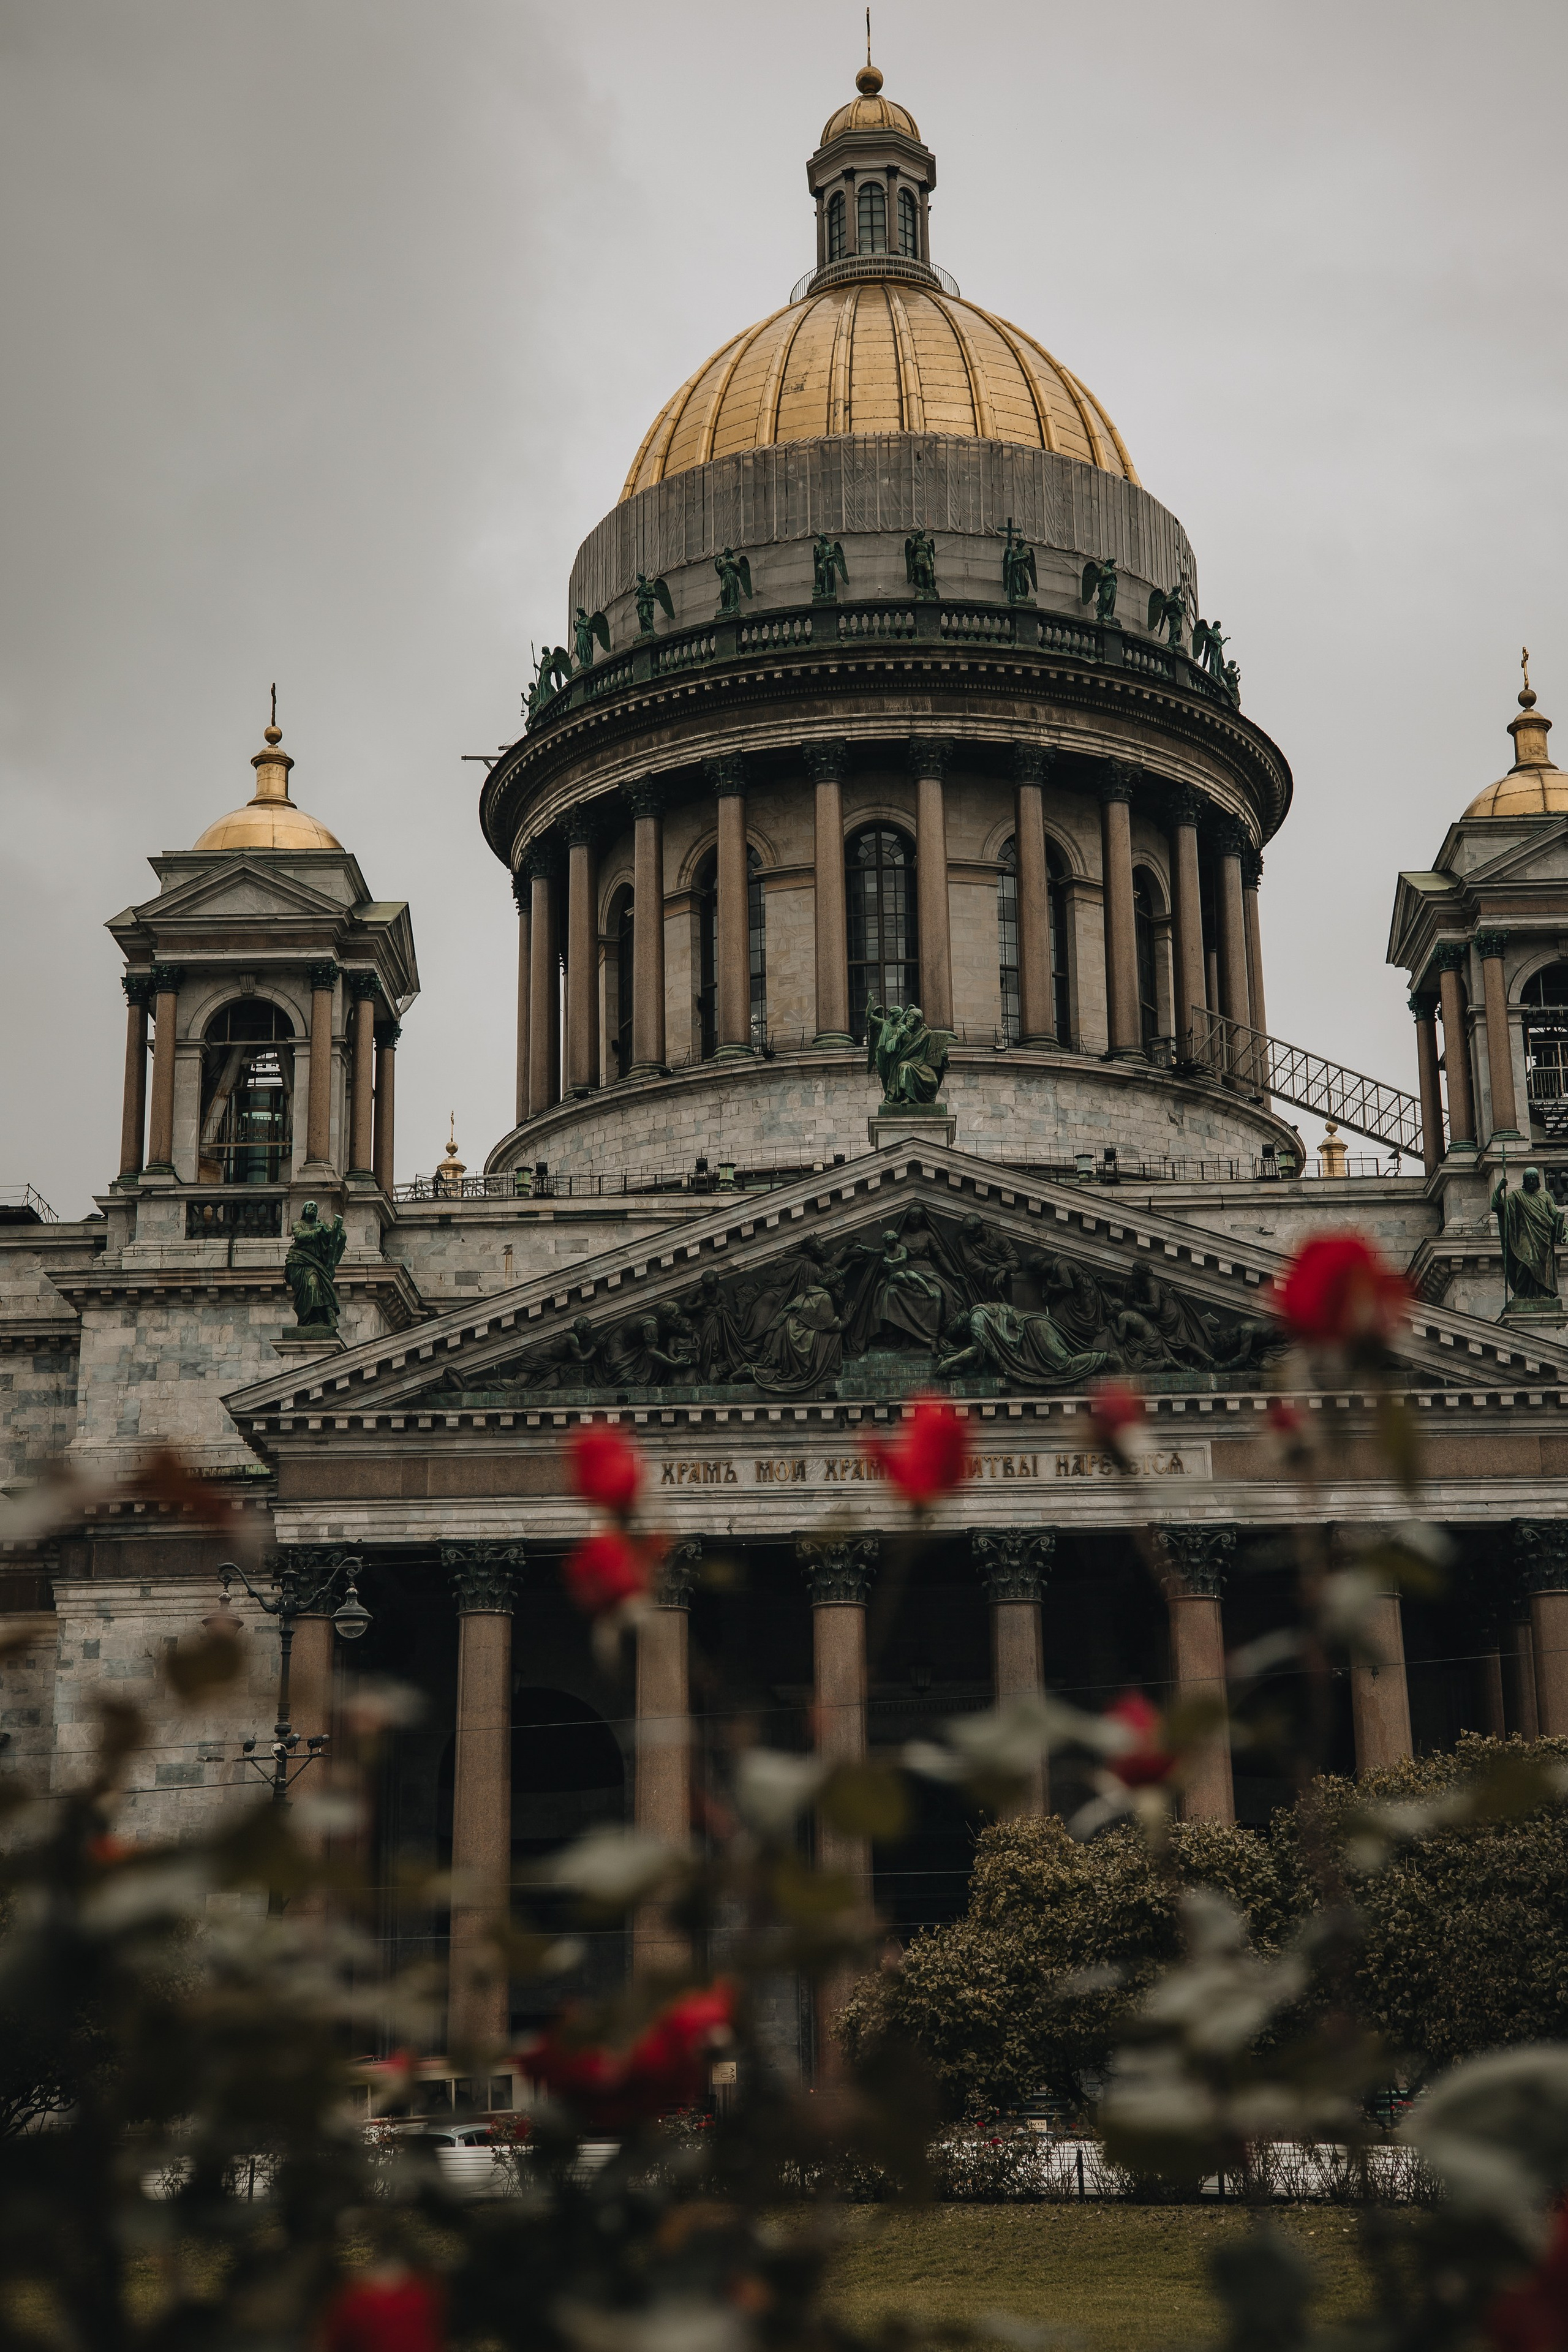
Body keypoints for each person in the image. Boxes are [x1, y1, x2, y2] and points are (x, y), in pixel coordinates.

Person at [1493, 1166, 1567, 1302]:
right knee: (1526, 1262)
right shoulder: (1517, 1196)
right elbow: (1498, 1207)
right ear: (1524, 1181)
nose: (1531, 1181)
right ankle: (1521, 1294)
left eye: (1534, 1179)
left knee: (1542, 1265)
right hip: (1525, 1237)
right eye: (1529, 1179)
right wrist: (1499, 1189)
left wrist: (1565, 1229)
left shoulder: (1545, 1196)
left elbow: (1555, 1215)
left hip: (1544, 1239)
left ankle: (1543, 1293)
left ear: (1538, 1181)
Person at [284, 1201, 345, 1329]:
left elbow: (337, 1236)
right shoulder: (298, 1225)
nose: (313, 1208)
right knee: (312, 1285)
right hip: (299, 1262)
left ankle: (319, 1318)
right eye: (310, 1206)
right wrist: (317, 1232)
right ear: (304, 1210)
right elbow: (301, 1235)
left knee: (317, 1285)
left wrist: (333, 1232)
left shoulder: (321, 1225)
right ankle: (309, 1319)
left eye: (315, 1207)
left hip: (316, 1265)